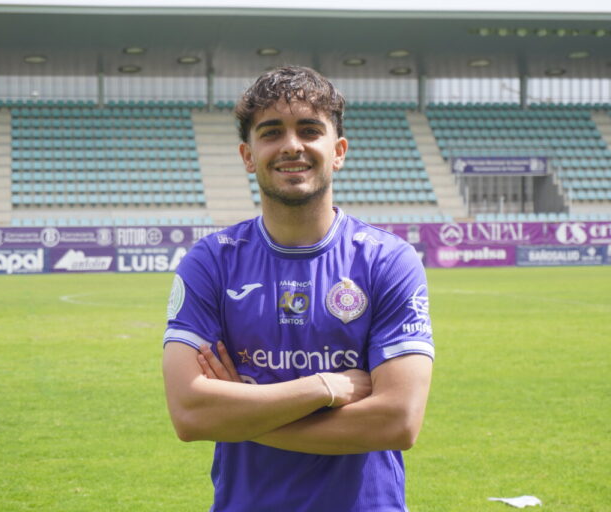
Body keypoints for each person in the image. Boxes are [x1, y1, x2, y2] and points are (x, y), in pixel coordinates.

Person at [162, 65, 434, 512]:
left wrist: (240, 416)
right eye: (271, 132)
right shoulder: (211, 262)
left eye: (309, 130)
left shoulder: (388, 260)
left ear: (339, 151)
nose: (292, 145)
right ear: (248, 155)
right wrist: (323, 387)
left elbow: (398, 420)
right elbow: (190, 413)